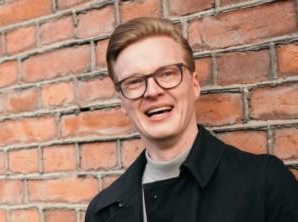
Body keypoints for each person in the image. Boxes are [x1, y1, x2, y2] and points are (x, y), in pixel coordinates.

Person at [84, 17, 298, 222]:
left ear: (194, 85)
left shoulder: (264, 184)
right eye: (134, 82)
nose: (152, 91)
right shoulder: (102, 212)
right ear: (121, 101)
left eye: (167, 73)